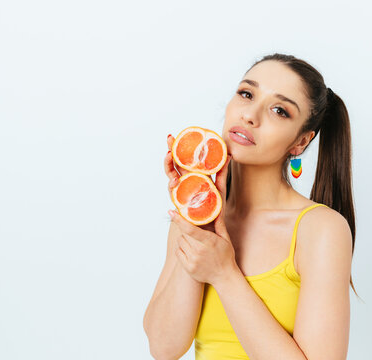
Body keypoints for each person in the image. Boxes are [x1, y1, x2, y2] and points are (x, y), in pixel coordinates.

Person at [144, 53, 359, 360]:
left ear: (300, 143)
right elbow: (163, 348)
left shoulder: (321, 230)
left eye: (279, 110)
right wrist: (198, 223)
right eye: (247, 93)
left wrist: (224, 273)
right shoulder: (192, 221)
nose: (250, 115)